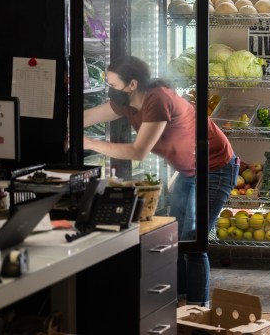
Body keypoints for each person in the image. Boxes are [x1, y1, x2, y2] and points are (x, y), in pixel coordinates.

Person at [83, 55, 238, 307]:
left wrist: (90, 143)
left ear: (132, 84)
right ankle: (178, 304)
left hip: (215, 169)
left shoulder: (156, 99)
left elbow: (138, 151)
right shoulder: (127, 102)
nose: (109, 90)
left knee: (193, 242)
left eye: (113, 85)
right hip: (189, 172)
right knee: (174, 238)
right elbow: (88, 117)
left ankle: (197, 312)